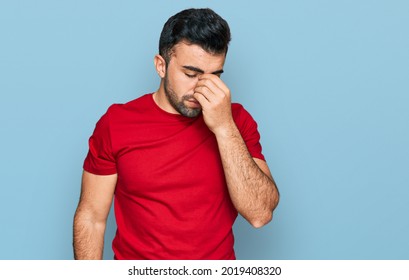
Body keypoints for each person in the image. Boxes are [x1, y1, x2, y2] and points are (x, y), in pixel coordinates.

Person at [73, 8, 279, 260]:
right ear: (161, 66)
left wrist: (224, 128)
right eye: (191, 74)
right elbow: (91, 217)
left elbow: (260, 214)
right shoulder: (116, 123)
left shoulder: (236, 122)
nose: (202, 88)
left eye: (214, 76)